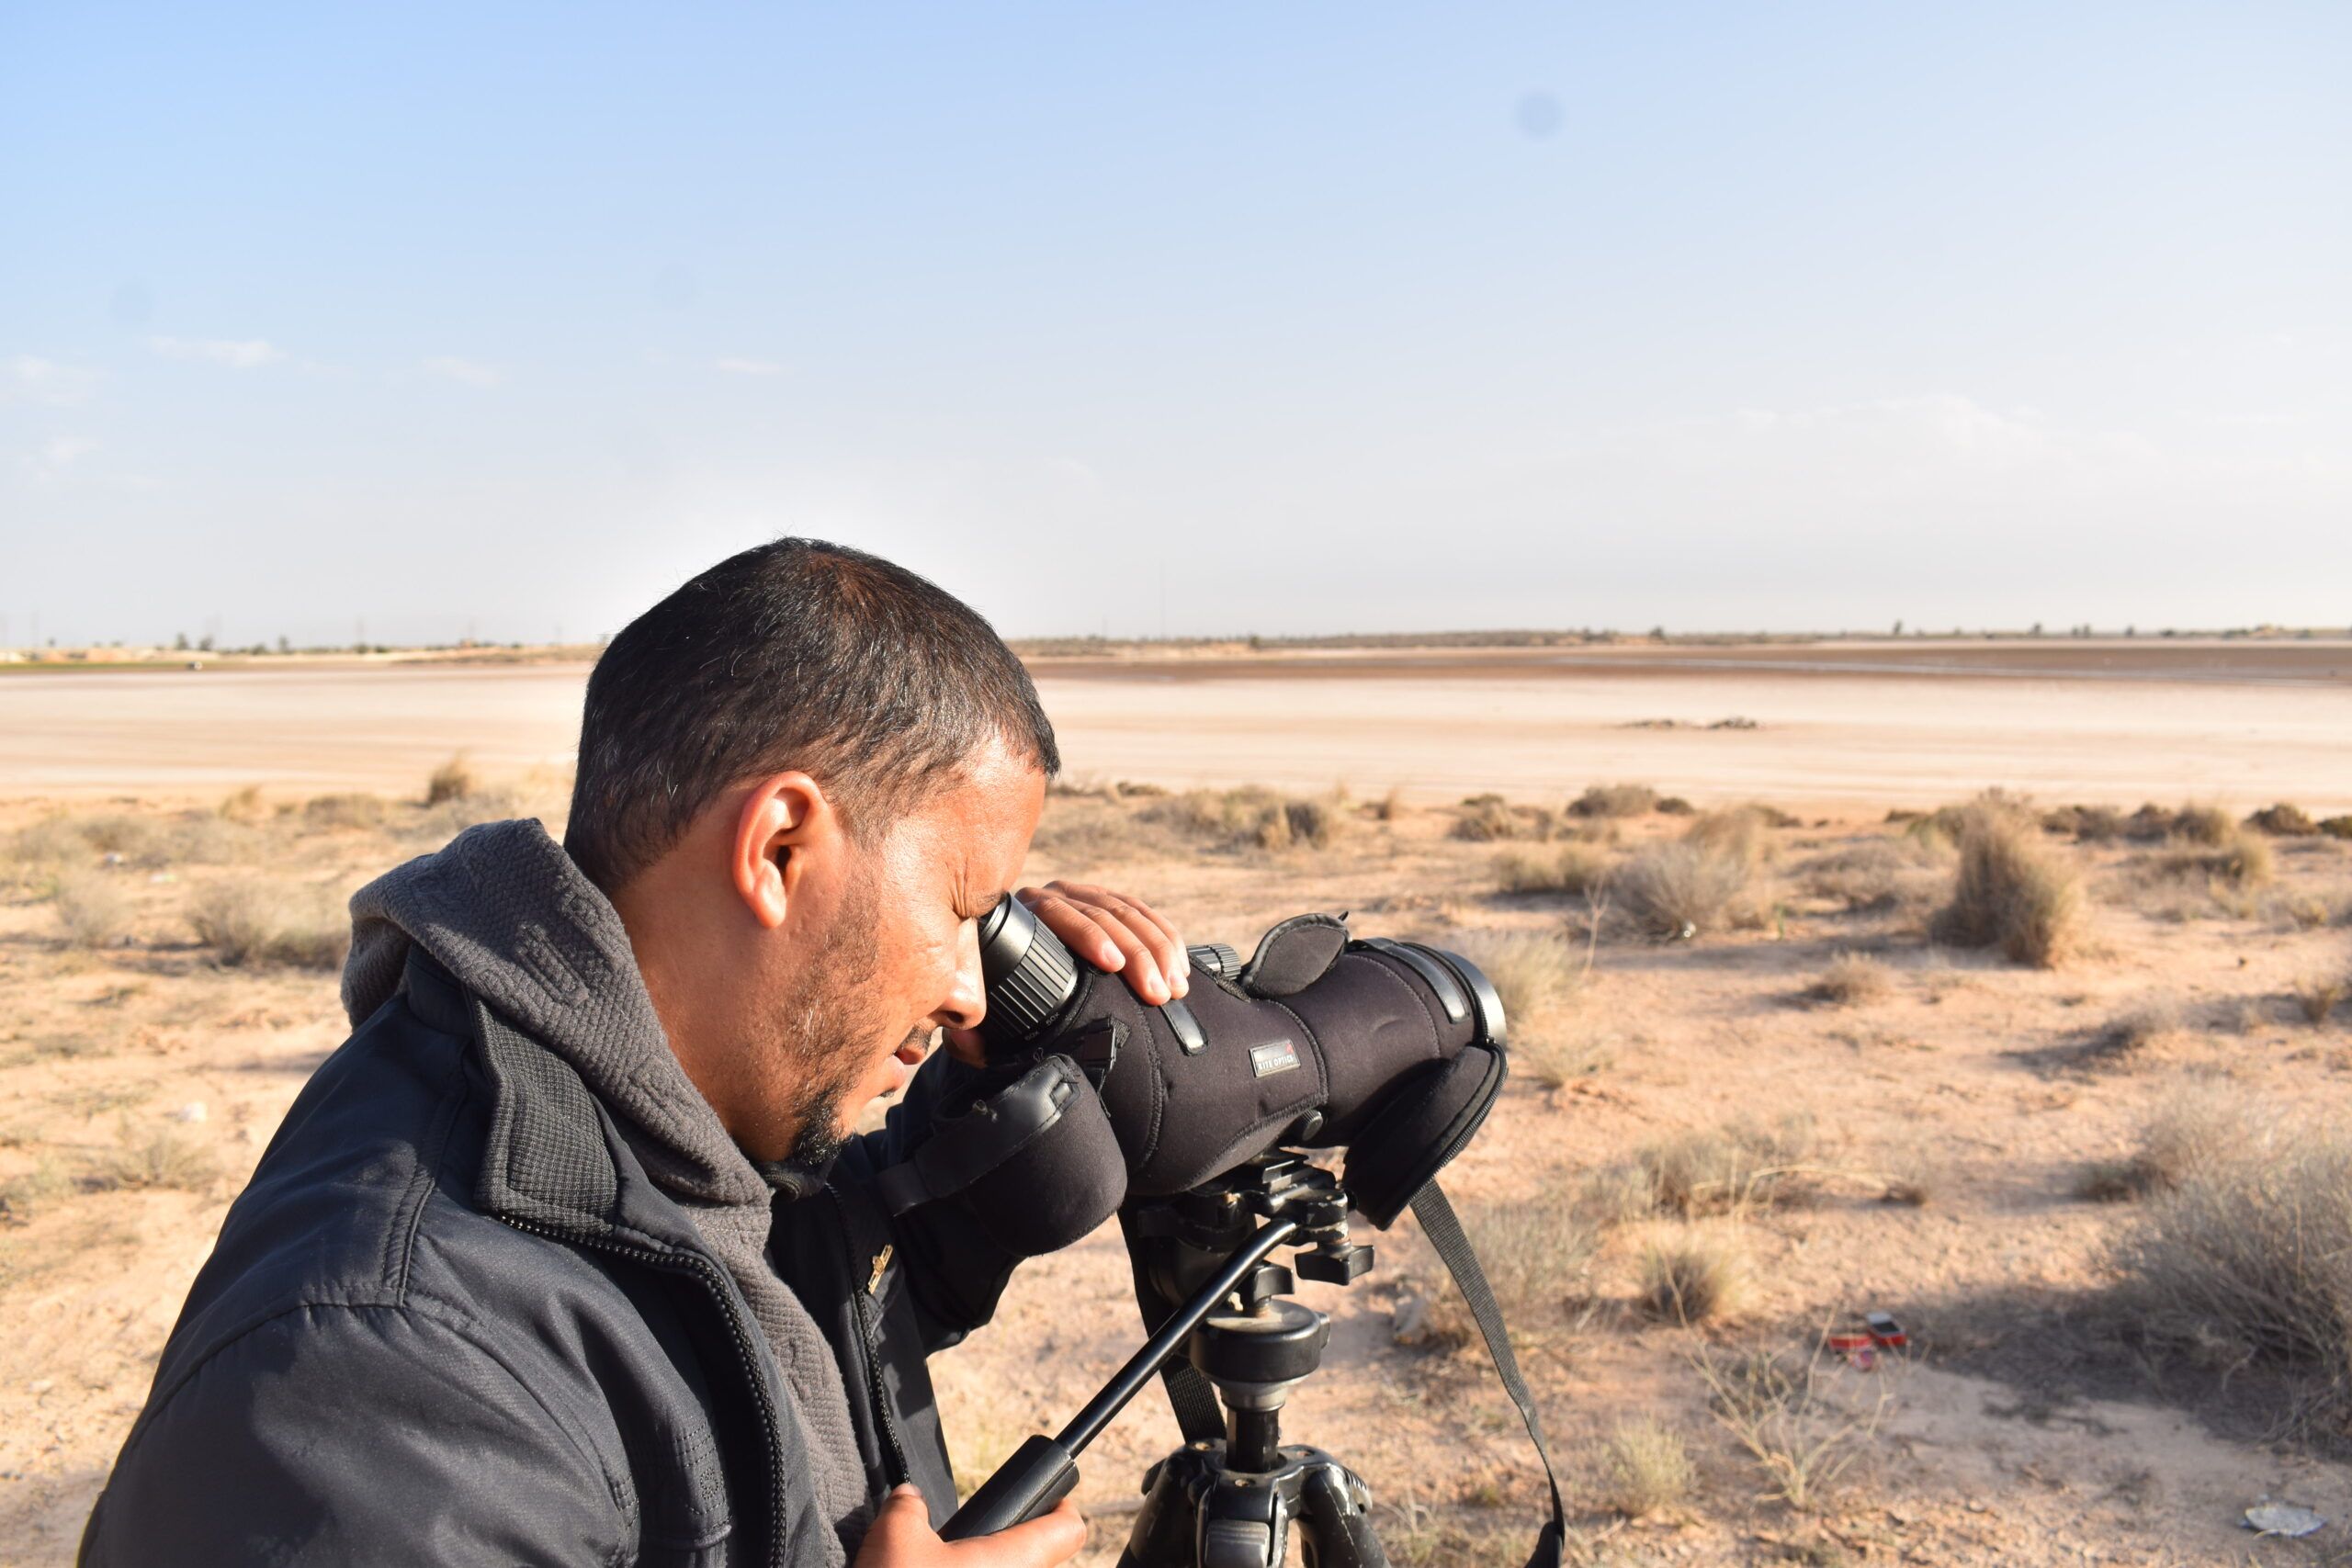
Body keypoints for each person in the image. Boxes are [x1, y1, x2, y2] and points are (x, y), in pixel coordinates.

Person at [81, 539, 1195, 1567]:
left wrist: (1017, 1062)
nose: (967, 988)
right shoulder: (389, 1371)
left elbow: (797, 1276)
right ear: (778, 848)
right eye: (959, 907)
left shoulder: (651, 1128)